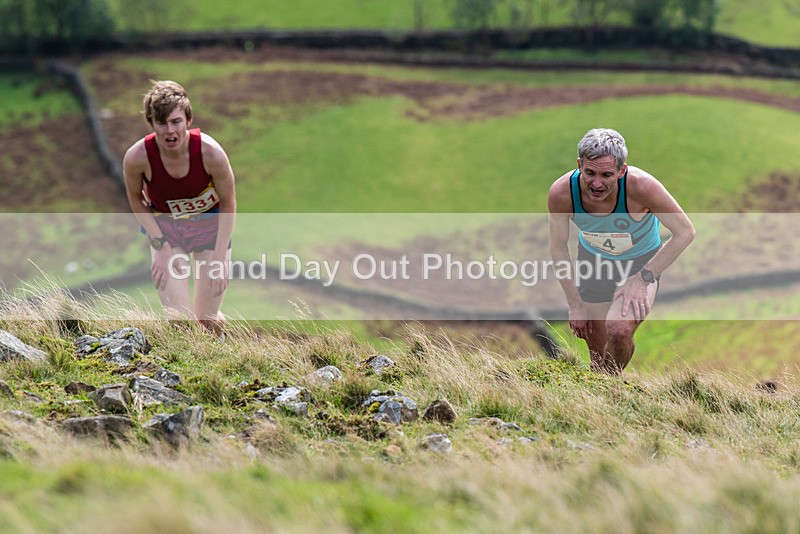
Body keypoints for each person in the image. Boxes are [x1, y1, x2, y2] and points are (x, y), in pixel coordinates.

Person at [547, 128, 695, 375]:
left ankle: (609, 387)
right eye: (590, 172)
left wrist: (642, 279)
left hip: (641, 263)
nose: (596, 184)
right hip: (594, 262)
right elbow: (558, 247)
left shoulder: (643, 188)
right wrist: (575, 304)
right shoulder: (562, 194)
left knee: (619, 330)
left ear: (621, 170)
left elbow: (685, 232)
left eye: (606, 175)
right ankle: (604, 393)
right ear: (579, 164)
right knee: (597, 357)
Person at [123, 80, 236, 335]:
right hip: (168, 231)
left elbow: (229, 202)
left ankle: (218, 351)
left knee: (207, 323)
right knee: (180, 323)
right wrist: (160, 245)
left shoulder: (211, 153)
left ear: (188, 120)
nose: (169, 130)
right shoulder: (137, 157)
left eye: (175, 121)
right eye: (161, 123)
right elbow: (135, 199)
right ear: (152, 124)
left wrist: (220, 259)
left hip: (210, 228)